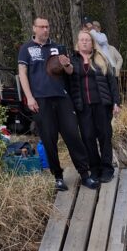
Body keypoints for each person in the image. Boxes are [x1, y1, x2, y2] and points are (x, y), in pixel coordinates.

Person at [18, 17, 99, 192]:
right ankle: (58, 177)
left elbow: (70, 71)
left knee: (72, 134)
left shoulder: (58, 47)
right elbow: (22, 73)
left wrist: (67, 64)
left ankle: (85, 174)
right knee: (49, 138)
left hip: (62, 97)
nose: (45, 30)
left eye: (47, 26)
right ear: (34, 28)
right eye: (41, 27)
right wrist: (29, 97)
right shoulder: (26, 49)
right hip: (40, 100)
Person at [68, 30, 121, 183]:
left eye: (87, 40)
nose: (84, 42)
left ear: (92, 43)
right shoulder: (72, 61)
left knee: (105, 136)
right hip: (83, 107)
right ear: (78, 43)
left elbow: (112, 82)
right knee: (88, 138)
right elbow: (69, 84)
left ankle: (107, 169)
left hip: (102, 105)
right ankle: (95, 169)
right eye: (82, 40)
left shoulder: (101, 58)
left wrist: (116, 102)